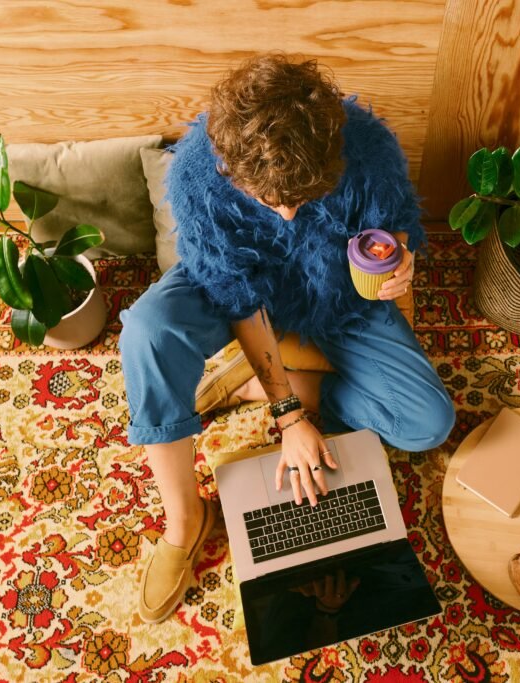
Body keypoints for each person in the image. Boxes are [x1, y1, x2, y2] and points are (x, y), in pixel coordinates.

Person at [119, 53, 455, 624]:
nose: (288, 212)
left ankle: (260, 378)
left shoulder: (369, 146)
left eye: (302, 197)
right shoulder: (198, 170)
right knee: (147, 331)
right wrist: (289, 417)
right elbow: (236, 299)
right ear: (229, 165)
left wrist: (402, 264)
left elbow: (394, 229)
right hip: (238, 293)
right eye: (269, 200)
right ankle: (185, 518)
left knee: (430, 425)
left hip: (338, 295)